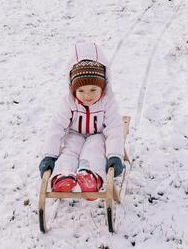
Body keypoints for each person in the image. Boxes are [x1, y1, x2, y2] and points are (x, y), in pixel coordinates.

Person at [39, 41, 125, 195]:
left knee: (94, 150)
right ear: (73, 89)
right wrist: (49, 154)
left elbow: (114, 129)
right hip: (74, 134)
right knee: (69, 151)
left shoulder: (107, 102)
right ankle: (62, 176)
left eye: (93, 89)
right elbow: (57, 127)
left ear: (103, 87)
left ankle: (91, 176)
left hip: (98, 135)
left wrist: (115, 155)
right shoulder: (68, 102)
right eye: (81, 90)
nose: (87, 95)